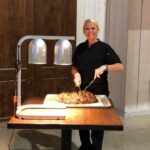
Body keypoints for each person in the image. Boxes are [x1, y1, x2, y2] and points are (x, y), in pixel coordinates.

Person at [71, 19, 123, 150]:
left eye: (93, 28)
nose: (90, 31)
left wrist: (104, 67)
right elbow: (74, 67)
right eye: (87, 29)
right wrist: (76, 74)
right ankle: (85, 145)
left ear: (98, 30)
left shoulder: (104, 48)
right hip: (82, 92)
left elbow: (120, 66)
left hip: (100, 92)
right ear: (83, 31)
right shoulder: (80, 48)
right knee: (82, 121)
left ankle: (96, 147)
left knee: (98, 123)